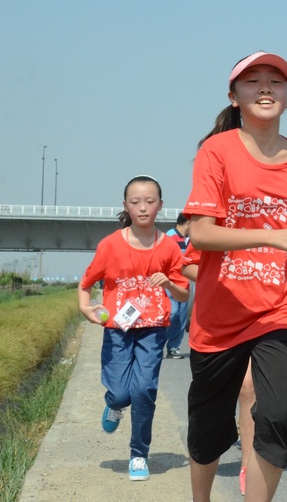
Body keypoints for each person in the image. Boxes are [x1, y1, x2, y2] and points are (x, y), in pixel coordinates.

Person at [184, 51, 287, 502]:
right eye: (253, 81)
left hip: (281, 306)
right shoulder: (216, 151)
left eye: (277, 81)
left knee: (274, 415)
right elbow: (201, 232)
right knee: (209, 430)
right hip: (220, 315)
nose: (266, 87)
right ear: (234, 97)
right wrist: (271, 237)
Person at [77, 175, 189, 481]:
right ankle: (113, 405)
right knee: (120, 393)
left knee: (143, 391)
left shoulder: (168, 247)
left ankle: (139, 454)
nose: (143, 208)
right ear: (125, 205)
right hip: (117, 329)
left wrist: (169, 283)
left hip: (154, 329)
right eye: (136, 202)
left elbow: (183, 293)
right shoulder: (110, 245)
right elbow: (86, 284)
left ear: (160, 206)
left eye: (150, 202)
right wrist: (87, 309)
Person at [180, 242, 256, 497]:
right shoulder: (215, 224)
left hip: (259, 318)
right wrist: (225, 277)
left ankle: (246, 465)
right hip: (217, 326)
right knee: (209, 416)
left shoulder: (274, 218)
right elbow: (188, 265)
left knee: (248, 389)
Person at [165, 212, 191, 359]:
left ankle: (173, 347)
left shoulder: (191, 240)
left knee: (181, 317)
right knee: (172, 313)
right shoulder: (169, 237)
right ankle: (160, 342)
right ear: (188, 223)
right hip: (170, 282)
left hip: (185, 283)